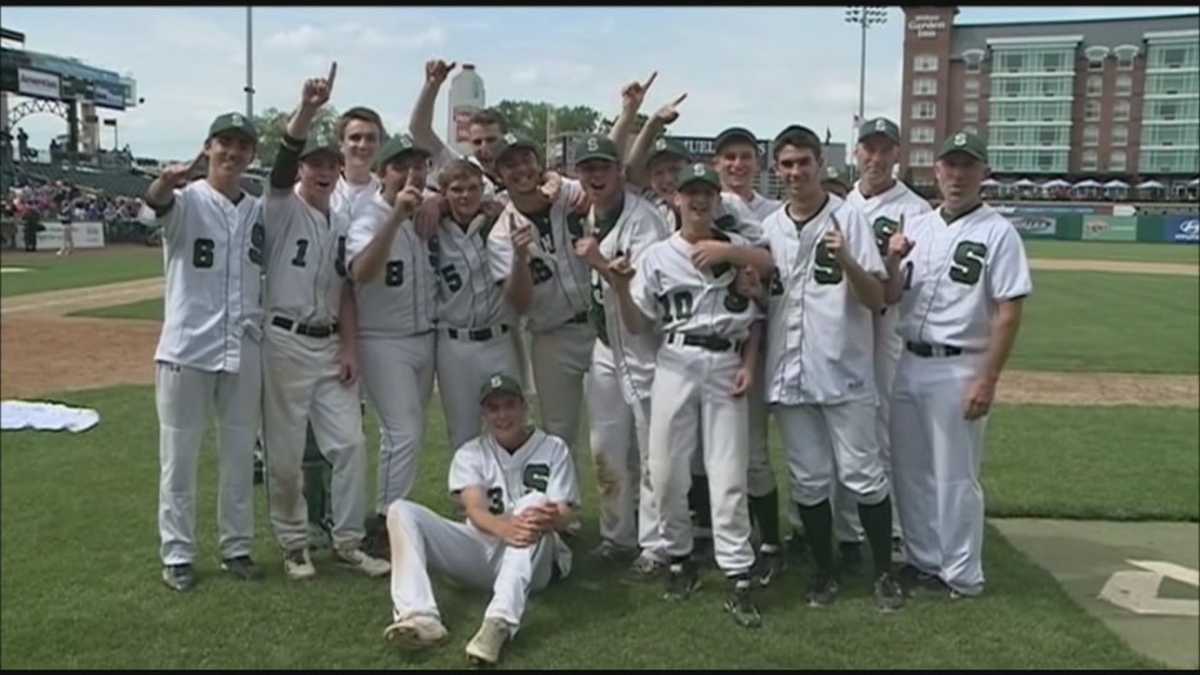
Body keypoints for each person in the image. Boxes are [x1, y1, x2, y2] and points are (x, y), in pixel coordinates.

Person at [609, 162, 773, 629]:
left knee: (727, 472)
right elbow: (639, 324)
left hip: (725, 361)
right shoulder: (659, 255)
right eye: (690, 193)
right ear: (675, 200)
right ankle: (679, 557)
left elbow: (758, 312)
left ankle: (738, 570)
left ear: (717, 200)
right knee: (663, 471)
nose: (698, 201)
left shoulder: (738, 249)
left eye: (706, 193)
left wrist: (747, 363)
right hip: (675, 360)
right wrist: (620, 288)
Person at [757, 124, 904, 612]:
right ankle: (824, 571)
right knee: (809, 479)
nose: (796, 172)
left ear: (821, 164)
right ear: (777, 171)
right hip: (788, 372)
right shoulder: (770, 227)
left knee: (863, 475)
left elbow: (878, 298)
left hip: (843, 371)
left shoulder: (850, 220)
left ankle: (883, 571)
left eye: (804, 162)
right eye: (787, 164)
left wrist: (850, 264)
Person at [883, 130, 1032, 599]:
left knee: (955, 475)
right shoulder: (919, 226)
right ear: (936, 171)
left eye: (968, 165)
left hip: (959, 365)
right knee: (908, 469)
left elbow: (1009, 312)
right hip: (909, 360)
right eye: (950, 165)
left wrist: (988, 378)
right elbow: (890, 296)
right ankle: (924, 560)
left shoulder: (999, 231)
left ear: (983, 174)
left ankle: (963, 575)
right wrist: (891, 261)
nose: (958, 174)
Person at [260, 63, 389, 580]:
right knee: (287, 449)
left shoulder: (340, 223)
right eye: (312, 163)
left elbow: (348, 293)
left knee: (351, 445)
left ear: (338, 171)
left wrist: (351, 348)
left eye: (328, 164)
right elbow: (281, 161)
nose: (319, 170)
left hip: (328, 344)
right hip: (284, 342)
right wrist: (309, 109)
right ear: (301, 170)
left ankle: (348, 540)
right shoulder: (279, 207)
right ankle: (294, 543)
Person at [382, 373, 580, 667]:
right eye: (493, 408)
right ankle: (420, 618)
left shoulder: (553, 448)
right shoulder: (471, 453)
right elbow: (475, 510)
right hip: (484, 549)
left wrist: (550, 518)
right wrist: (506, 528)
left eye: (510, 405)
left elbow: (566, 514)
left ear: (525, 407)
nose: (502, 415)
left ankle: (497, 623)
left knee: (534, 504)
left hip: (536, 561)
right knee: (400, 510)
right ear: (484, 414)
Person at [144, 111, 264, 591]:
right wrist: (162, 183)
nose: (232, 153)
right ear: (209, 147)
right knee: (179, 456)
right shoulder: (187, 200)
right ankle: (177, 554)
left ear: (251, 154)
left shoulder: (257, 210)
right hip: (186, 349)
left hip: (243, 348)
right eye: (225, 143)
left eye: (242, 145)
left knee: (239, 456)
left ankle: (236, 547)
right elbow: (155, 205)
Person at [569, 134, 671, 577]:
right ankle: (617, 537)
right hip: (605, 346)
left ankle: (657, 544)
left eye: (602, 167)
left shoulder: (644, 221)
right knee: (606, 447)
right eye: (587, 168)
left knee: (653, 452)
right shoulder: (588, 213)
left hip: (644, 346)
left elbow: (644, 304)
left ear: (619, 171)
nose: (595, 176)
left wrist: (596, 263)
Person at [842, 117, 933, 564]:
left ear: (898, 154)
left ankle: (892, 529)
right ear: (857, 153)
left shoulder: (913, 210)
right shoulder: (843, 203)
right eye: (868, 149)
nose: (875, 158)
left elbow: (903, 288)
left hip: (885, 329)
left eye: (884, 150)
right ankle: (848, 528)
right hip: (840, 328)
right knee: (844, 425)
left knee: (881, 428)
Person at [345, 133, 438, 557]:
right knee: (403, 433)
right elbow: (361, 272)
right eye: (401, 165)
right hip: (382, 340)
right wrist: (395, 219)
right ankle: (382, 521)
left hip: (425, 338)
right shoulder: (369, 215)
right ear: (382, 173)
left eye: (418, 165)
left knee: (406, 435)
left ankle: (398, 514)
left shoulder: (427, 212)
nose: (411, 173)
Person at [487, 134, 595, 470]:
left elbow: (605, 182)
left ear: (539, 164)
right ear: (500, 176)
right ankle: (565, 514)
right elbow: (518, 303)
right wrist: (520, 259)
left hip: (599, 326)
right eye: (510, 164)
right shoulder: (502, 234)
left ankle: (630, 511)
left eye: (526, 160)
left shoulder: (566, 194)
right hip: (552, 335)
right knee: (559, 432)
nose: (521, 169)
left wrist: (564, 184)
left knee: (614, 427)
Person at [712, 126, 786, 583]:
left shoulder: (776, 214)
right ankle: (717, 536)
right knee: (713, 453)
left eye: (745, 157)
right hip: (712, 345)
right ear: (716, 163)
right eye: (729, 158)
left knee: (754, 451)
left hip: (761, 338)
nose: (737, 165)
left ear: (758, 163)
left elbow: (774, 276)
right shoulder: (698, 205)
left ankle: (771, 540)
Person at [432, 158, 520, 451]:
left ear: (483, 189)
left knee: (509, 425)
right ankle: (468, 496)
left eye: (472, 188)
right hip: (455, 342)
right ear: (443, 193)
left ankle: (510, 495)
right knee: (463, 432)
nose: (465, 196)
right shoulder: (432, 225)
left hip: (499, 337)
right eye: (457, 189)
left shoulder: (499, 220)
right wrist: (432, 204)